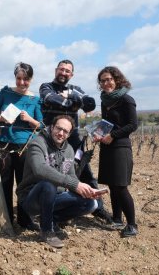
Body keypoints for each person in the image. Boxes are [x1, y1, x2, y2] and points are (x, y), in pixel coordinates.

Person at [39, 60, 112, 223]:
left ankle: (98, 208)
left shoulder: (75, 90)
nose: (63, 73)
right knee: (52, 174)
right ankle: (52, 211)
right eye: (61, 69)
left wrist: (71, 96)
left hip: (73, 140)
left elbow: (90, 104)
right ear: (56, 70)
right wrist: (75, 101)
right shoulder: (46, 87)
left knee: (84, 171)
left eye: (67, 71)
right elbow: (51, 99)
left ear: (71, 74)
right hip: (51, 140)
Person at [17, 115, 101, 248]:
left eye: (65, 131)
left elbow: (72, 177)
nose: (61, 133)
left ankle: (51, 219)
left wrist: (87, 190)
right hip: (31, 198)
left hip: (55, 197)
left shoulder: (68, 150)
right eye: (58, 128)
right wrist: (75, 184)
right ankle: (47, 231)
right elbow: (40, 169)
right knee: (48, 185)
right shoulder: (37, 143)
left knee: (91, 204)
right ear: (52, 127)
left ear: (69, 134)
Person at [0, 62, 43, 231]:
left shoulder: (35, 99)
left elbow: (41, 125)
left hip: (25, 146)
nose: (21, 82)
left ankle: (24, 219)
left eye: (25, 79)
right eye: (19, 78)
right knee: (4, 182)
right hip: (3, 144)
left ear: (31, 79)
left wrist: (29, 119)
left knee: (24, 183)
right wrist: (4, 119)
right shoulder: (5, 92)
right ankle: (5, 219)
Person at [93, 66, 138, 237]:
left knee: (120, 186)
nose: (106, 83)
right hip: (107, 147)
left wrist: (113, 135)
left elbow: (133, 125)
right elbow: (106, 123)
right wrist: (98, 133)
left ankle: (132, 224)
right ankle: (117, 218)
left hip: (120, 147)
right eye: (103, 81)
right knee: (112, 185)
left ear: (117, 79)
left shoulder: (127, 100)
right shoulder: (105, 101)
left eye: (109, 79)